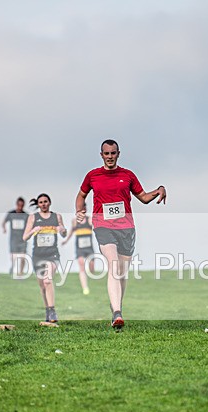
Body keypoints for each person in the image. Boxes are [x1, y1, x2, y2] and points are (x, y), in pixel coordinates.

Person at [75, 139, 167, 329]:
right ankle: (117, 312)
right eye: (106, 153)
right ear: (101, 155)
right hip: (103, 226)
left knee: (122, 273)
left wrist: (158, 190)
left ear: (118, 154)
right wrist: (79, 211)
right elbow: (81, 195)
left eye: (113, 153)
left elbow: (143, 198)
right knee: (113, 264)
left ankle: (117, 309)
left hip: (126, 228)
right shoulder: (93, 176)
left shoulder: (128, 175)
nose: (110, 157)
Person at [23, 193, 67, 323]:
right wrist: (33, 230)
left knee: (48, 280)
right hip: (37, 255)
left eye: (45, 201)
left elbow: (64, 233)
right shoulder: (33, 217)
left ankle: (52, 310)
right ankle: (48, 309)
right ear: (38, 204)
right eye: (41, 202)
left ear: (50, 202)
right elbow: (25, 237)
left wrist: (62, 229)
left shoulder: (56, 216)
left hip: (52, 254)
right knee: (42, 286)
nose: (43, 204)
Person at [62, 215, 96, 295]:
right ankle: (85, 288)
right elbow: (71, 231)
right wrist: (66, 241)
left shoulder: (89, 220)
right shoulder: (74, 221)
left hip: (89, 247)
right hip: (79, 247)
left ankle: (91, 273)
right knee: (81, 265)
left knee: (91, 266)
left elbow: (97, 229)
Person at [2, 197, 29, 276]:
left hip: (23, 239)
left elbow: (30, 225)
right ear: (17, 204)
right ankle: (12, 268)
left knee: (23, 256)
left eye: (22, 205)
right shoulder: (11, 214)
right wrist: (4, 229)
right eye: (19, 205)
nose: (20, 207)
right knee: (13, 257)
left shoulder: (26, 215)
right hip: (13, 239)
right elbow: (3, 222)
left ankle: (20, 272)